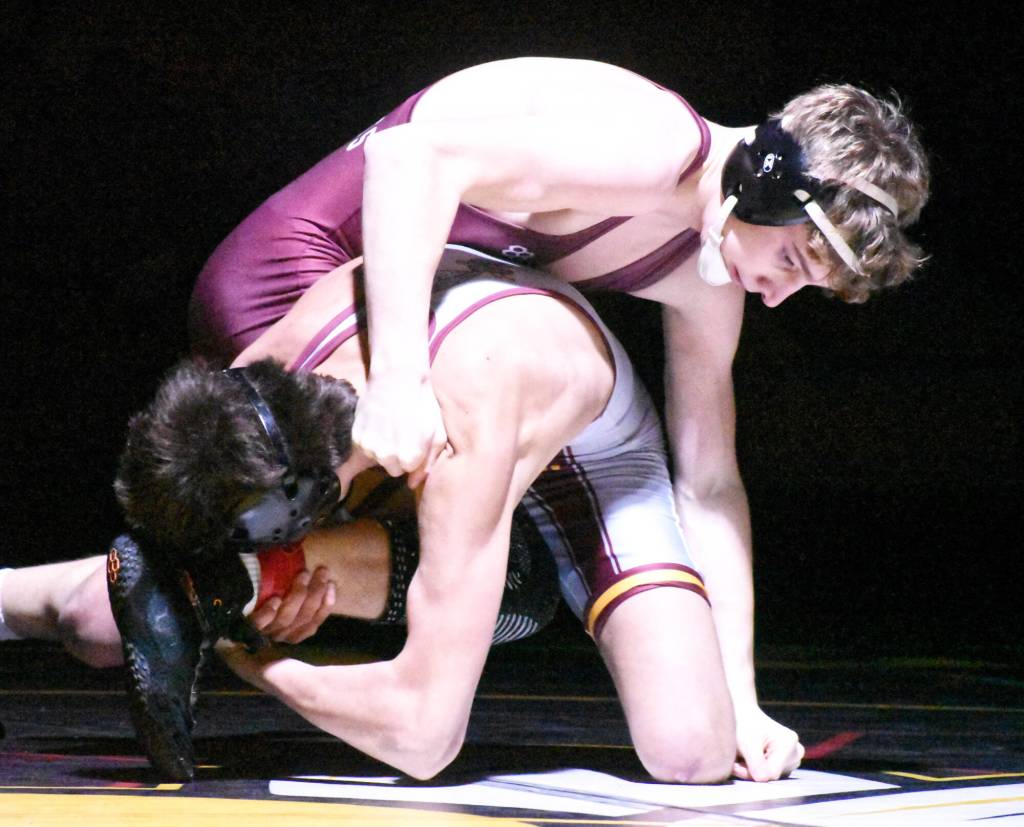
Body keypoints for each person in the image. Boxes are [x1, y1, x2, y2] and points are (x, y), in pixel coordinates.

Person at [187, 56, 928, 783]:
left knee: (651, 707)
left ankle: (219, 587)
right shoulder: (655, 142)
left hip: (446, 345)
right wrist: (398, 384)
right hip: (291, 286)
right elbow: (407, 157)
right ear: (767, 183)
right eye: (794, 261)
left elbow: (707, 479)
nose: (776, 297)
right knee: (471, 560)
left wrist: (742, 696)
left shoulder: (713, 282)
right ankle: (194, 590)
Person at [5, 248, 771, 783]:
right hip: (434, 401)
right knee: (112, 615)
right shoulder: (260, 372)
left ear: (300, 505)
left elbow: (425, 734)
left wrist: (254, 657)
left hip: (584, 457)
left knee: (691, 746)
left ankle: (217, 588)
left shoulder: (464, 430)